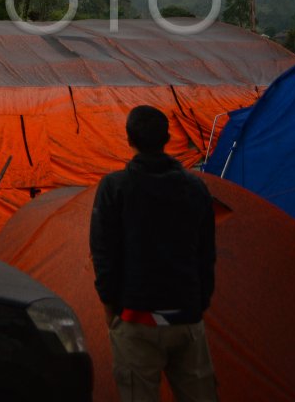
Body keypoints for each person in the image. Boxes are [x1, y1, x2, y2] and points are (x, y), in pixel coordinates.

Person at [89, 105, 217, 402]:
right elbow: (206, 253)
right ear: (168, 137)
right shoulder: (195, 188)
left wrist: (110, 308)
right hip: (186, 317)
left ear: (129, 138)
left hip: (136, 318)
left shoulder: (115, 187)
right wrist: (198, 304)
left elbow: (103, 254)